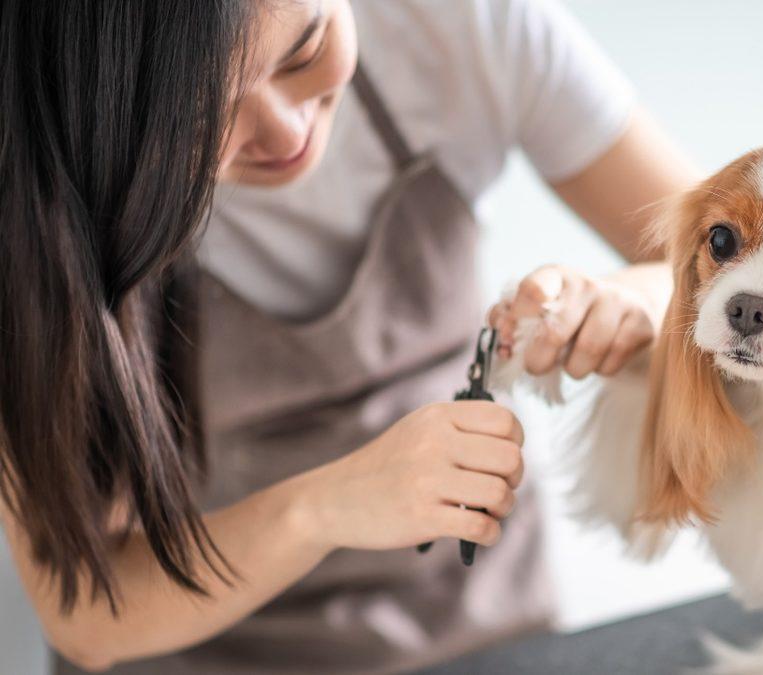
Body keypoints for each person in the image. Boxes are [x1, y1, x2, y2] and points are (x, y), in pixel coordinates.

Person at [0, 1, 691, 672]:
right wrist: (324, 507)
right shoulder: (30, 199)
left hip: (487, 633)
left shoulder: (461, 23)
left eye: (304, 50)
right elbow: (85, 610)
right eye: (200, 119)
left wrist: (632, 301)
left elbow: (717, 265)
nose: (284, 132)